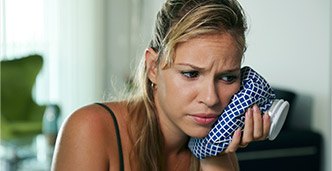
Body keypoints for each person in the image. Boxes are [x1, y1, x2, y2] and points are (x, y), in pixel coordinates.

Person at [51, 0, 271, 170]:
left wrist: (216, 155)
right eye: (191, 73)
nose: (211, 98)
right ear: (153, 68)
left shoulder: (219, 150)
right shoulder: (90, 129)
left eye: (227, 78)